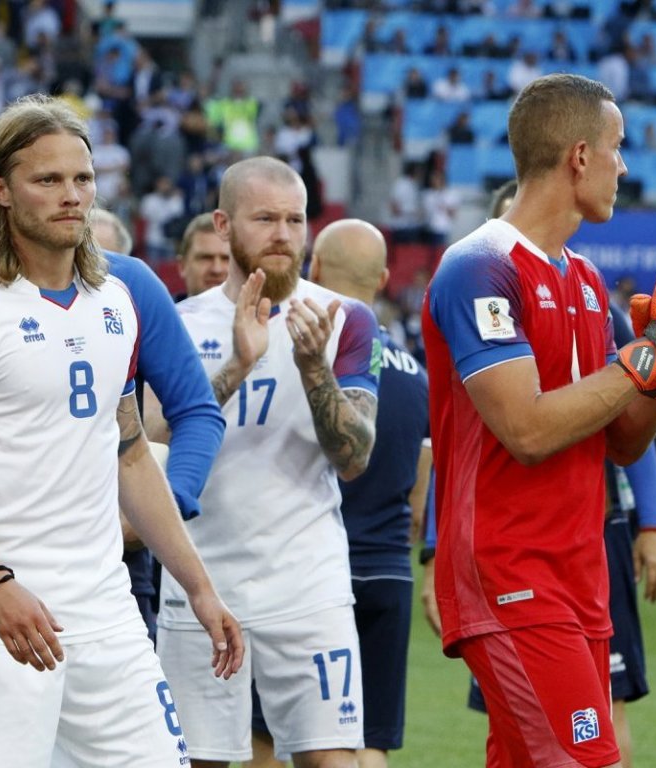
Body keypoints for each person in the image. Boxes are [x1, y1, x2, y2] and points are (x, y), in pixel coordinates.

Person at [0, 95, 243, 766]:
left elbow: (130, 452)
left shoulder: (118, 296)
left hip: (107, 612)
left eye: (82, 178)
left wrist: (198, 585)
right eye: (48, 179)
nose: (72, 195)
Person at [422, 73, 656, 768]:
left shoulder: (586, 280)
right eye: (618, 147)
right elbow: (527, 431)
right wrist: (645, 356)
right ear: (580, 156)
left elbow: (622, 442)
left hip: (580, 577)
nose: (625, 167)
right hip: (511, 574)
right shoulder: (478, 267)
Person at [156, 156, 381, 768]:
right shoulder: (179, 323)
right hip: (200, 581)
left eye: (295, 219)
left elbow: (355, 456)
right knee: (197, 760)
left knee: (332, 759)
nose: (283, 234)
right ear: (223, 225)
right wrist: (237, 366)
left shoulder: (345, 319)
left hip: (307, 583)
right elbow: (150, 446)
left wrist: (313, 369)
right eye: (264, 219)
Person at [247, 219, 431, 768]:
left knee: (267, 737)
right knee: (367, 742)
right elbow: (421, 500)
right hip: (387, 571)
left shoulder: (286, 354)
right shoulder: (415, 374)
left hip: (307, 571)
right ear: (383, 278)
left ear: (316, 268)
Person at [174, 211, 231, 300]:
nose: (217, 269)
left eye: (226, 259)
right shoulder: (161, 309)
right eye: (206, 258)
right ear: (182, 266)